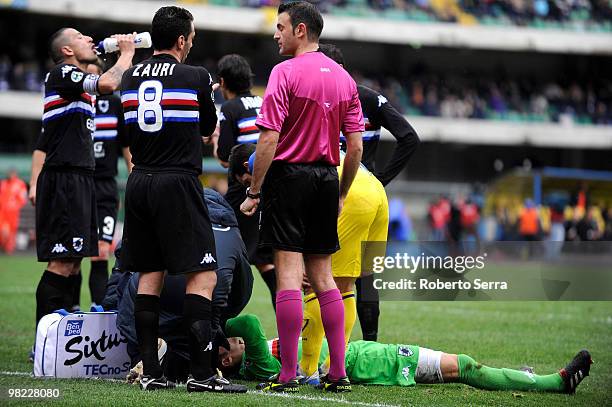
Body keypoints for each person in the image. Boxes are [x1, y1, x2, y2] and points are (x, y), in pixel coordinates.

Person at [240, 1, 364, 393]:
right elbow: (356, 147)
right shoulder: (345, 78)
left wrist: (254, 191)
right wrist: (342, 191)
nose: (275, 34)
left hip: (290, 178)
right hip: (328, 177)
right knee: (325, 277)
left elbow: (269, 137)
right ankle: (337, 373)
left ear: (301, 30)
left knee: (290, 277)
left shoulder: (284, 72)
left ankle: (289, 373)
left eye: (280, 27)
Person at [119, 6, 245, 393]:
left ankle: (152, 372)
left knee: (150, 275)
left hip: (139, 181)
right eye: (191, 37)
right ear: (180, 40)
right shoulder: (195, 76)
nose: (192, 43)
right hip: (178, 181)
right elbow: (209, 128)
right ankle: (203, 374)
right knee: (203, 275)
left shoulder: (128, 76)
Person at [228, 144, 388, 385]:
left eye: (246, 182)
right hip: (376, 192)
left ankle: (307, 368)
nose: (251, 187)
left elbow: (295, 197)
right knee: (346, 285)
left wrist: (253, 193)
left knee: (315, 282)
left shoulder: (258, 158)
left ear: (246, 168)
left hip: (348, 196)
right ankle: (334, 367)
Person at [28, 27, 135, 331]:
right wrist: (126, 54)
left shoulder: (78, 84)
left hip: (83, 178)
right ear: (67, 51)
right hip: (63, 177)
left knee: (74, 262)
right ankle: (45, 338)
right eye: (79, 37)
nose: (89, 39)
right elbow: (109, 82)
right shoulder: (62, 74)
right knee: (61, 262)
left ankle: (60, 337)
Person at [318, 43, 420, 343]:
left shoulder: (314, 97)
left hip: (330, 193)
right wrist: (378, 181)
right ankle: (369, 346)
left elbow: (410, 139)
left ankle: (319, 348)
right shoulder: (367, 98)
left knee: (318, 272)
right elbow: (409, 137)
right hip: (368, 196)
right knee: (366, 277)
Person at [221, 314, 593, 395]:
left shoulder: (263, 360)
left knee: (465, 366)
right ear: (227, 358)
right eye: (228, 345)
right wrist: (216, 324)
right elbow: (248, 323)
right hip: (378, 361)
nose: (236, 341)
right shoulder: (259, 360)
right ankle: (555, 383)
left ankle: (525, 376)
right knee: (465, 366)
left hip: (372, 354)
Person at [102, 188, 253, 384]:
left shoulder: (165, 214)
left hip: (150, 295)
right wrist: (218, 318)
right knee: (192, 344)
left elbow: (124, 257)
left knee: (136, 286)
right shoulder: (233, 234)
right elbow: (243, 291)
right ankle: (189, 366)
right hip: (203, 303)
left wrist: (111, 306)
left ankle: (145, 356)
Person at [67, 60, 133, 311]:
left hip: (105, 187)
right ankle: (72, 308)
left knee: (101, 253)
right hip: (78, 183)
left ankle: (99, 309)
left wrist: (132, 176)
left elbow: (126, 145)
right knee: (73, 255)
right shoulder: (75, 102)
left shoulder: (115, 104)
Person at [215, 54, 276, 311]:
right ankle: (289, 324)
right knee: (265, 260)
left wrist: (216, 138)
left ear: (222, 82)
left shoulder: (230, 109)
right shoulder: (263, 101)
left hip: (245, 190)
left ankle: (221, 317)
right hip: (271, 185)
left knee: (227, 250)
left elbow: (225, 157)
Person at [0, 169, 28, 254]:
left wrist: (16, 205)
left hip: (13, 212)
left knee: (12, 230)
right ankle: (4, 246)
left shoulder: (20, 184)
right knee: (3, 229)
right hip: (3, 210)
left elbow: (23, 198)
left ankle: (9, 248)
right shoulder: (4, 183)